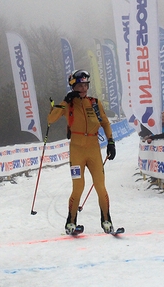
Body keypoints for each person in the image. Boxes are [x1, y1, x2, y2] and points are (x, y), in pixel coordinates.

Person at [47, 69, 116, 235]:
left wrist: (111, 141)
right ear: (73, 86)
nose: (83, 89)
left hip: (93, 149)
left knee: (100, 186)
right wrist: (64, 101)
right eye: (79, 85)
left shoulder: (94, 102)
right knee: (78, 187)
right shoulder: (68, 103)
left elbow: (105, 123)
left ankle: (106, 220)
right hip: (77, 149)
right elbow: (50, 119)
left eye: (85, 85)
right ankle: (71, 222)